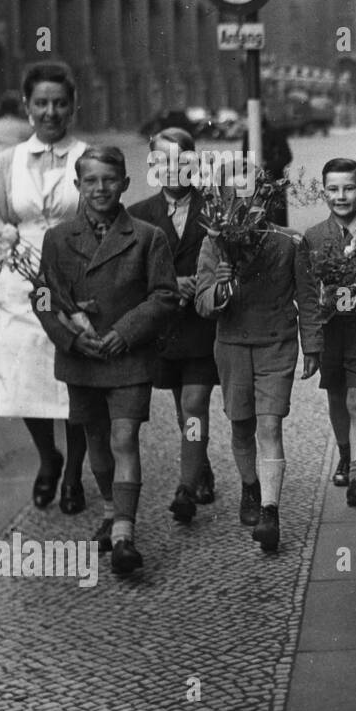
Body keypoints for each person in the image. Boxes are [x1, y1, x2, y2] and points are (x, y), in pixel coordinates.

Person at [35, 147, 179, 574]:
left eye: (110, 180)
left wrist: (126, 332)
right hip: (82, 359)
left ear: (126, 183)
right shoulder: (58, 238)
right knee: (96, 440)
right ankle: (111, 510)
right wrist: (71, 338)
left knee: (124, 438)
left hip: (128, 357)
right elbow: (43, 296)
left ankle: (124, 533)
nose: (101, 189)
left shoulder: (147, 236)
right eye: (91, 181)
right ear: (78, 187)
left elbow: (165, 295)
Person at [194, 169, 323, 553]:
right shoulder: (214, 244)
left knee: (269, 426)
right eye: (235, 197)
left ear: (266, 200)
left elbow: (308, 297)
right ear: (222, 201)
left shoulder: (288, 242)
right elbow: (202, 303)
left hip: (276, 344)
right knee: (240, 426)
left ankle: (270, 509)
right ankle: (250, 485)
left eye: (253, 198)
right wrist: (221, 284)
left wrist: (312, 344)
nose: (245, 206)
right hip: (232, 346)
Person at [0, 61, 90, 514]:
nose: (50, 111)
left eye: (59, 103)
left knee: (75, 378)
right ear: (28, 108)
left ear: (72, 106)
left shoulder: (88, 157)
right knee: (26, 377)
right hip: (20, 282)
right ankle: (47, 457)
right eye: (41, 103)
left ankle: (74, 471)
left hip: (78, 275)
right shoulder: (6, 163)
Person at [130, 127, 220, 524]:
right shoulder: (137, 215)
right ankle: (199, 465)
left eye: (181, 161)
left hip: (203, 325)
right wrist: (165, 286)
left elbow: (231, 262)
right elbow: (129, 277)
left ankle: (185, 487)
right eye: (162, 161)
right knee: (184, 412)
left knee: (195, 403)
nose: (172, 169)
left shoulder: (216, 210)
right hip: (164, 330)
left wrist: (207, 282)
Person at [304, 158, 356, 507]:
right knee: (336, 396)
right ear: (323, 193)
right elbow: (306, 290)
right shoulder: (313, 237)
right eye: (333, 189)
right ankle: (346, 454)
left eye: (349, 188)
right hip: (331, 329)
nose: (341, 195)